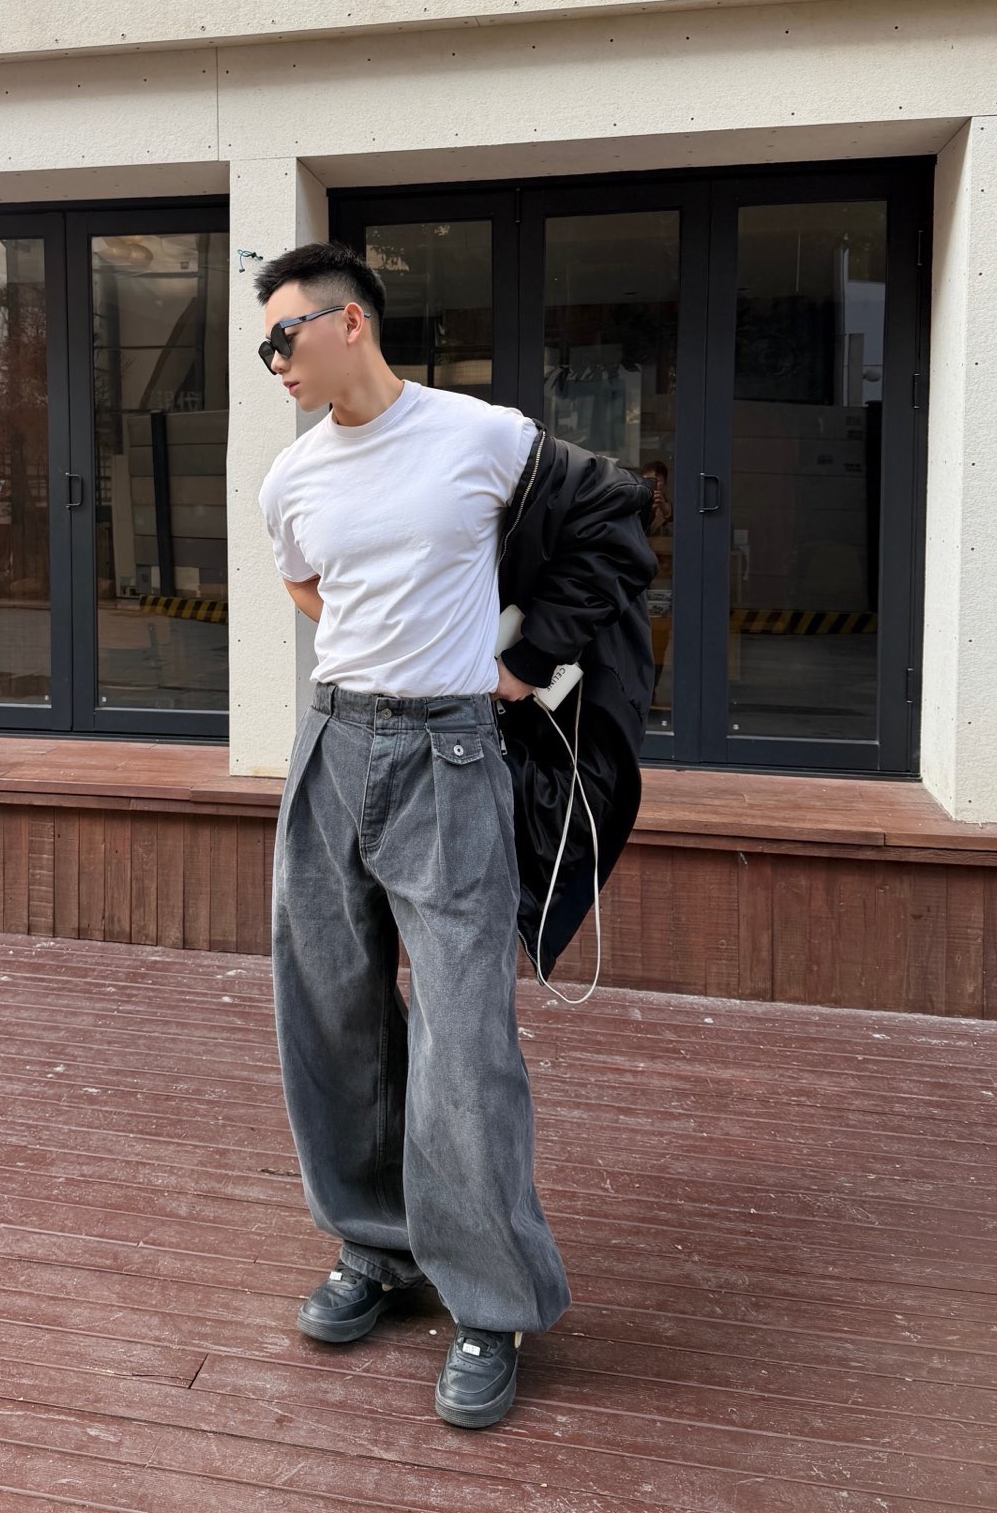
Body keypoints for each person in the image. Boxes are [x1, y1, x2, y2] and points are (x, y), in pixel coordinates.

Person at [255, 242, 654, 1430]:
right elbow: (306, 587)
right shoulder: (293, 476)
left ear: (351, 324)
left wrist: (525, 662)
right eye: (263, 345)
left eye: (283, 336)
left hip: (450, 756)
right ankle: (376, 1246)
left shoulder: (480, 437)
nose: (272, 362)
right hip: (333, 745)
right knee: (328, 1008)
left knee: (464, 1034)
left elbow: (615, 518)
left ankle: (490, 1300)